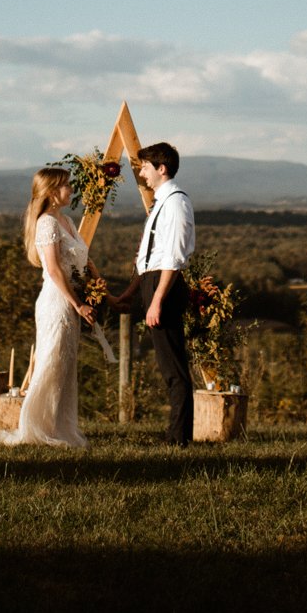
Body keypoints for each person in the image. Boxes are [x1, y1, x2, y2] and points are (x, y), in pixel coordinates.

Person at [0, 164, 96, 448]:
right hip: (57, 302)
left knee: (64, 367)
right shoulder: (47, 223)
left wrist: (98, 286)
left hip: (70, 300)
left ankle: (57, 426)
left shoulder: (67, 222)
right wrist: (77, 304)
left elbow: (82, 260)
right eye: (66, 185)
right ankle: (34, 428)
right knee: (50, 363)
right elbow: (53, 269)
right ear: (52, 192)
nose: (71, 189)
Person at [113, 142, 195, 445]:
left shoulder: (175, 203)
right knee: (167, 365)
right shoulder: (160, 202)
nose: (141, 173)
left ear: (162, 169)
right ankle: (176, 435)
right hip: (153, 283)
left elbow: (172, 258)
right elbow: (149, 258)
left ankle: (178, 438)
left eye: (146, 167)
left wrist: (157, 300)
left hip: (166, 287)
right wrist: (132, 292)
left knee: (174, 367)